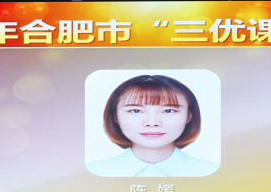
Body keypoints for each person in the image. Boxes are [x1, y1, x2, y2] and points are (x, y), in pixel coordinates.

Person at [86, 74, 219, 177]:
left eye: (168, 110)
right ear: (115, 116)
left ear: (189, 116)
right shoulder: (93, 173)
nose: (152, 122)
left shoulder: (211, 172)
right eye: (136, 110)